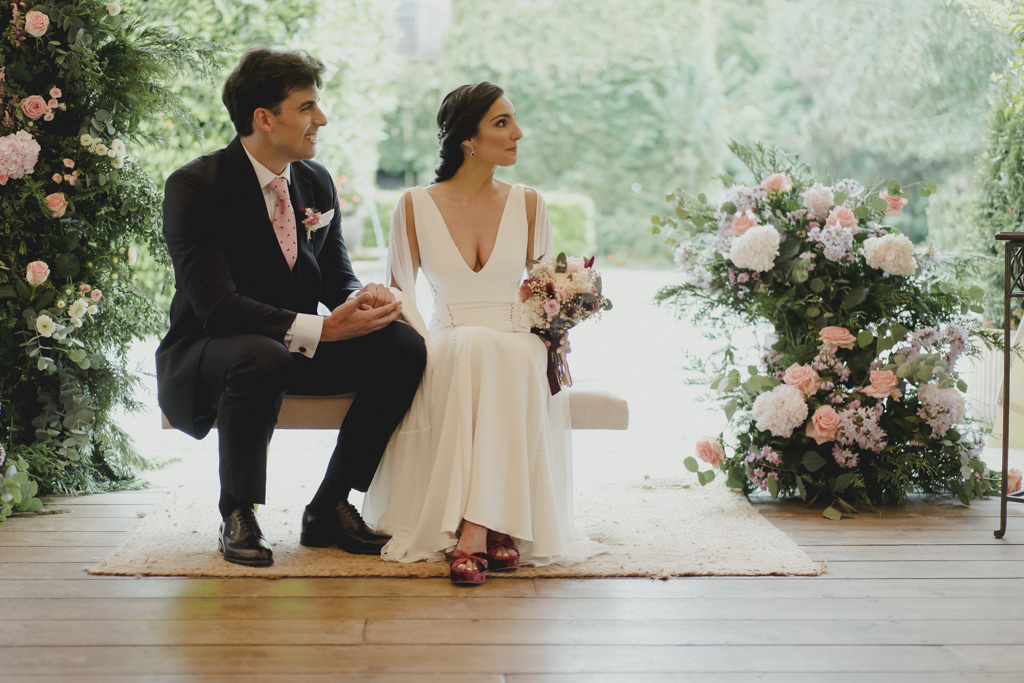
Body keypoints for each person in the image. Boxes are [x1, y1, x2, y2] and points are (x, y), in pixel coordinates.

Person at [156, 49, 427, 567]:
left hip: (295, 346)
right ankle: (237, 511)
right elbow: (216, 307)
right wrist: (323, 330)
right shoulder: (195, 187)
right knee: (262, 354)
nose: (320, 120)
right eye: (306, 108)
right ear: (264, 118)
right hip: (213, 350)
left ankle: (330, 505)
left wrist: (358, 300)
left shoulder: (315, 180)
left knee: (403, 346)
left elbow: (335, 274)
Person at [362, 82, 606, 585]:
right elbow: (401, 293)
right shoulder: (413, 204)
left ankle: (475, 531)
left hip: (516, 339)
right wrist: (421, 349)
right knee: (474, 346)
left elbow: (542, 293)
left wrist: (566, 311)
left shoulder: (530, 203)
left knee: (512, 354)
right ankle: (494, 531)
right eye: (502, 123)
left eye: (513, 121)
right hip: (447, 339)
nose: (518, 133)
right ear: (466, 139)